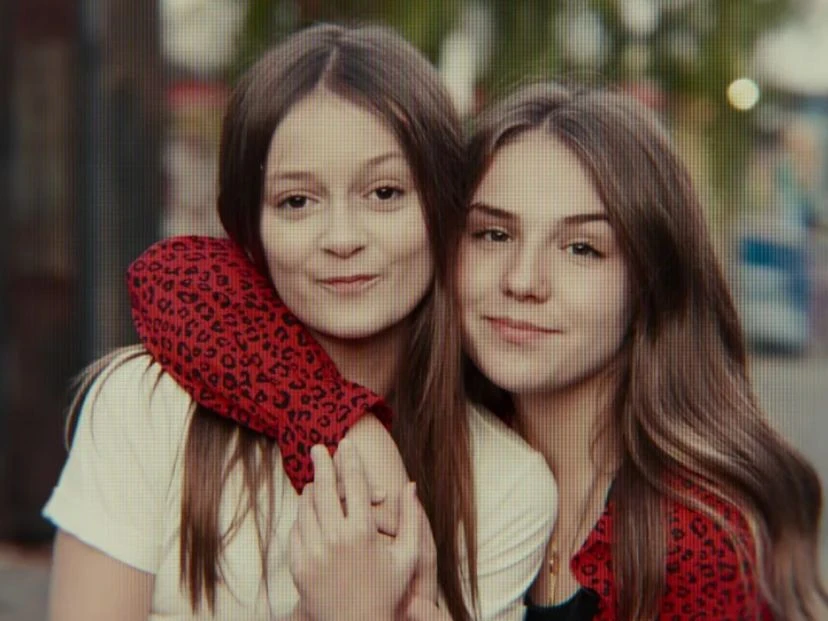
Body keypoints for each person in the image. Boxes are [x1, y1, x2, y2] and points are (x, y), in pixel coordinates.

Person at [43, 24, 555, 621]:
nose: (342, 238)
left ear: (441, 207)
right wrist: (346, 425)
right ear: (252, 229)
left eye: (384, 193)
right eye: (297, 201)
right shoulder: (146, 406)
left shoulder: (504, 484)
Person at [456, 82, 828, 620]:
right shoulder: (431, 453)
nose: (523, 280)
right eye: (494, 234)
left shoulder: (700, 540)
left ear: (650, 279)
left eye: (581, 248)